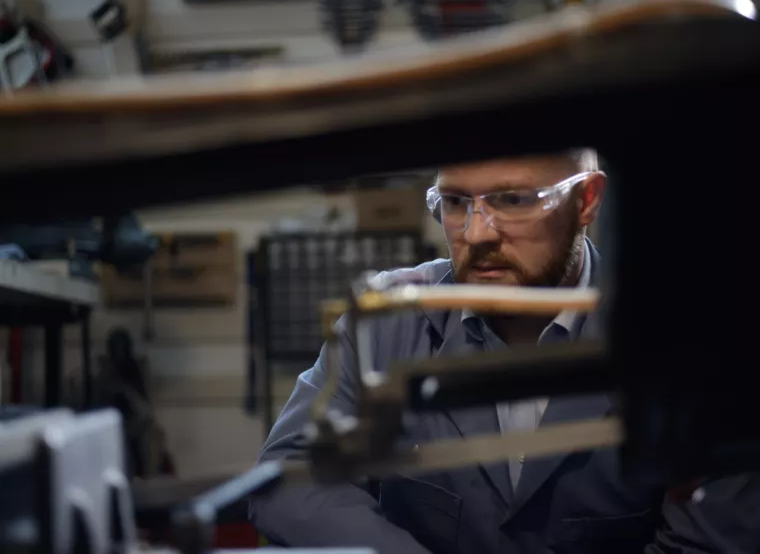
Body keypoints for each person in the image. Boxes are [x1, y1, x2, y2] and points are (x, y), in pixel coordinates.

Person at [250, 150, 760, 554]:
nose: (475, 235)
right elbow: (289, 478)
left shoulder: (685, 338)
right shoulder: (388, 319)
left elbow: (713, 538)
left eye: (513, 201)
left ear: (586, 200)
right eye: (454, 203)